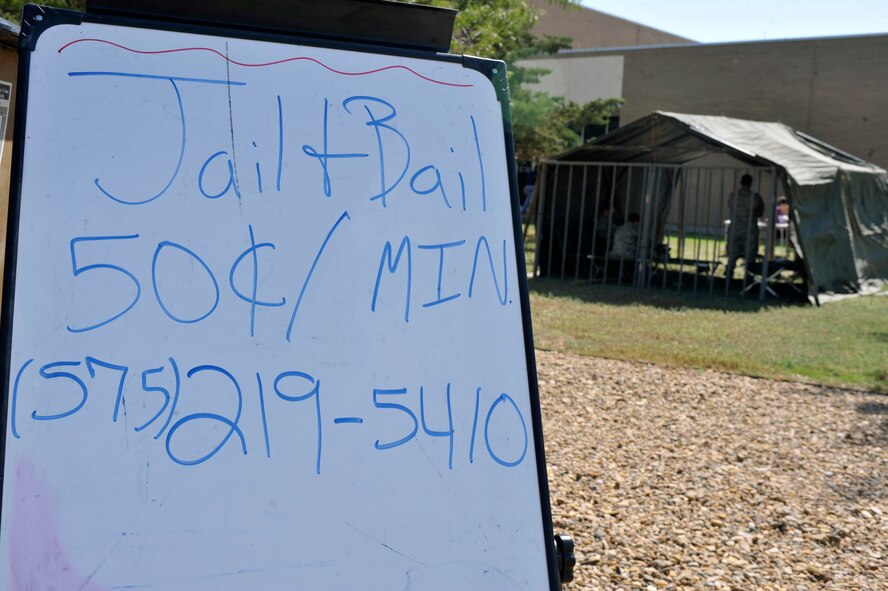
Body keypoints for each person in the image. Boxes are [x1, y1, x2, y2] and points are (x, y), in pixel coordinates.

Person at [725, 174, 765, 281]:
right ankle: (748, 277)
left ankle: (729, 276)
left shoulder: (733, 195)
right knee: (750, 255)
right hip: (749, 228)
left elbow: (730, 206)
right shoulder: (755, 197)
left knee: (732, 254)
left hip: (735, 228)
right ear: (750, 183)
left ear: (740, 182)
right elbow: (760, 212)